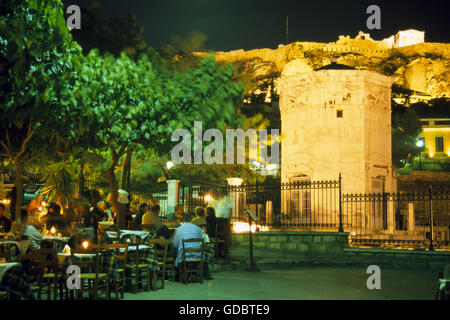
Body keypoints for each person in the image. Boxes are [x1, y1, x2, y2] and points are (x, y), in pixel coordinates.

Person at [172, 215, 213, 281]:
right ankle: (195, 273)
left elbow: (175, 244)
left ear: (182, 221)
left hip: (184, 255)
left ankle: (179, 274)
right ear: (191, 220)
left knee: (177, 254)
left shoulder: (178, 229)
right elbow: (201, 240)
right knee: (202, 252)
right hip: (197, 255)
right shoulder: (198, 228)